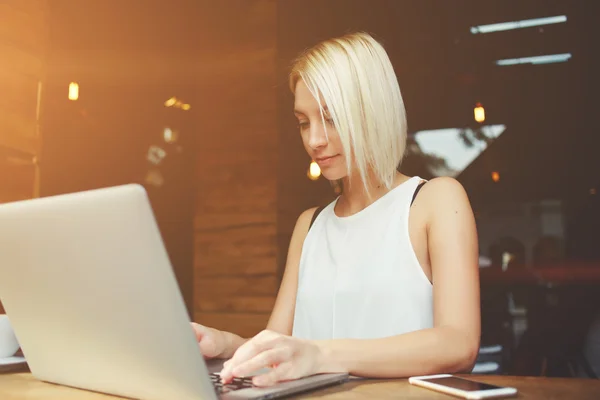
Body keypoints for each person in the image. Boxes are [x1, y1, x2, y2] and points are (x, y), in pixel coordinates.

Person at [192, 32, 481, 387]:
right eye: (303, 122)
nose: (314, 140)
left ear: (373, 110)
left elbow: (459, 343)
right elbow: (282, 346)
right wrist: (225, 345)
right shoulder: (310, 225)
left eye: (330, 118)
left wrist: (320, 356)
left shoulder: (435, 201)